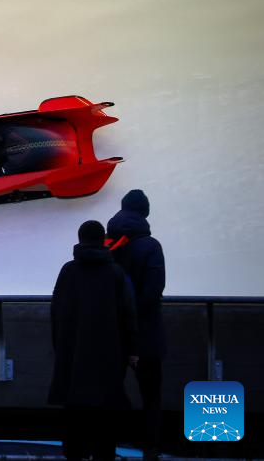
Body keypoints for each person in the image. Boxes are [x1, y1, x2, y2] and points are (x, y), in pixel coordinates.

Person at [49, 220, 138, 461]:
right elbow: (128, 314)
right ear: (102, 240)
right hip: (108, 357)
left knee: (75, 416)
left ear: (80, 240)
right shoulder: (115, 273)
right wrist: (131, 349)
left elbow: (56, 311)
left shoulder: (68, 271)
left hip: (73, 356)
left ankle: (75, 454)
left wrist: (61, 347)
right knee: (105, 418)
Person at [106, 189, 165, 461]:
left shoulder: (108, 243)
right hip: (146, 334)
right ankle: (150, 448)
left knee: (108, 391)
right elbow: (154, 289)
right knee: (151, 395)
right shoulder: (151, 246)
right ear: (145, 213)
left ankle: (108, 446)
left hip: (114, 333)